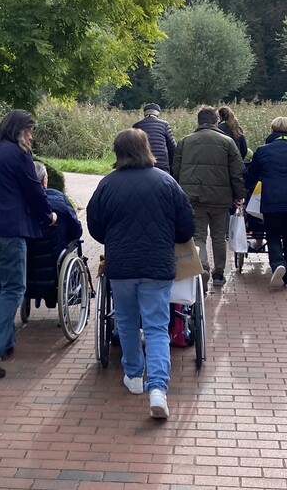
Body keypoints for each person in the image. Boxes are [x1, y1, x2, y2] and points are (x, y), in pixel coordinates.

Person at [87, 128, 194, 419]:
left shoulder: (107, 185)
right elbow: (186, 227)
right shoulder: (167, 182)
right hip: (158, 265)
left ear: (117, 151)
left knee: (126, 320)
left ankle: (133, 376)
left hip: (121, 266)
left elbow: (95, 227)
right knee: (158, 326)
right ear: (147, 148)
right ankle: (158, 387)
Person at [0, 109, 57, 378]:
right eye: (29, 131)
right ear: (19, 130)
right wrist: (47, 216)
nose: (31, 137)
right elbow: (33, 190)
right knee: (15, 287)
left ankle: (4, 343)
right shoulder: (19, 154)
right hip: (7, 229)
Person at [172, 107, 245, 287]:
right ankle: (219, 274)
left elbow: (175, 171)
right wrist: (239, 196)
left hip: (193, 198)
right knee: (219, 237)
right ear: (216, 122)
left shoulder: (185, 142)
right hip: (220, 199)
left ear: (198, 122)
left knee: (198, 236)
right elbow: (237, 173)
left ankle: (203, 268)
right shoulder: (228, 142)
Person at [245, 116, 287, 289]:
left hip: (272, 199)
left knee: (273, 232)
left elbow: (250, 177)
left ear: (272, 130)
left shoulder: (262, 151)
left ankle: (278, 264)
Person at [34, 161, 83, 255]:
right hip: (56, 257)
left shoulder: (18, 203)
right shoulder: (58, 198)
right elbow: (76, 231)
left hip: (25, 262)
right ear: (44, 180)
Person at [132, 102, 177, 174]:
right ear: (158, 113)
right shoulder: (164, 125)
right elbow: (172, 148)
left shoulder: (137, 125)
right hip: (162, 166)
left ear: (145, 114)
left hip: (142, 165)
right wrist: (171, 167)